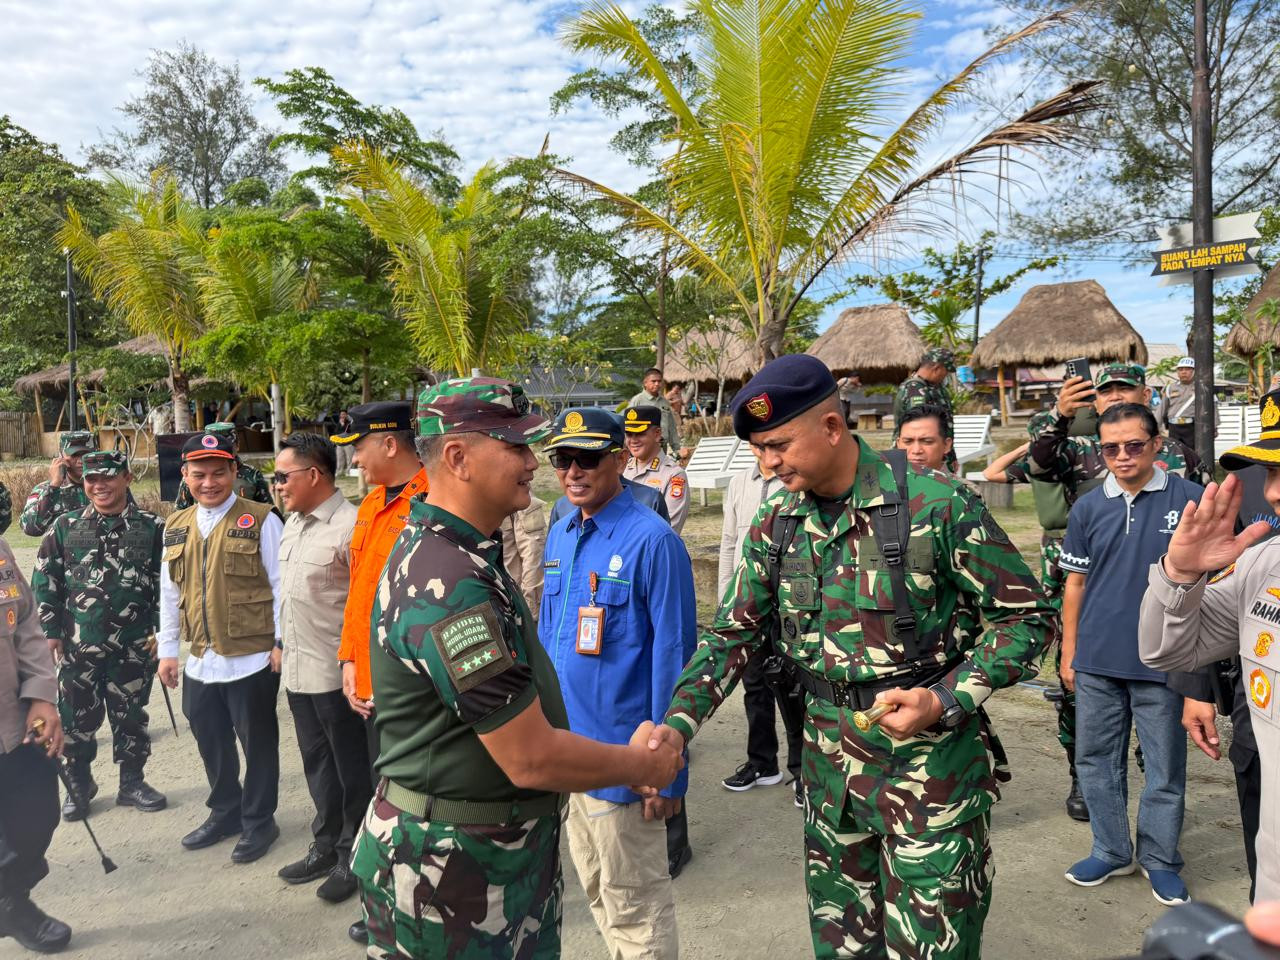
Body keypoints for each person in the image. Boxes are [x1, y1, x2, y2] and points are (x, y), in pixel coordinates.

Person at [641, 354, 1057, 959]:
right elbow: (732, 634)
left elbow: (1026, 619)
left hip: (929, 781)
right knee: (842, 948)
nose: (767, 463)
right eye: (758, 450)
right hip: (831, 781)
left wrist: (945, 697)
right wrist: (679, 725)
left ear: (833, 428)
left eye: (778, 444)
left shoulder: (935, 505)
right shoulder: (777, 521)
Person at [351, 377, 683, 958]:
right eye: (517, 446)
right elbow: (529, 757)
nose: (537, 464)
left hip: (483, 853)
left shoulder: (461, 554)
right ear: (458, 457)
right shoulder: (449, 582)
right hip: (453, 873)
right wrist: (644, 764)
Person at [539, 406, 696, 958]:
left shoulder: (653, 541)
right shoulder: (559, 533)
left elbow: (676, 656)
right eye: (563, 459)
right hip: (569, 755)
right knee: (596, 890)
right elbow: (547, 639)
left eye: (586, 459)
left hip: (625, 761)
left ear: (618, 459)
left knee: (637, 906)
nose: (573, 472)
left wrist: (668, 774)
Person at [1027, 361, 1212, 820]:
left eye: (1124, 388)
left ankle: (1155, 794)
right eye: (1104, 391)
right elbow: (1040, 462)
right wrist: (1059, 415)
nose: (1114, 396)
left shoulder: (1180, 459)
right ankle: (1083, 781)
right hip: (1091, 585)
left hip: (1162, 609)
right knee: (1080, 701)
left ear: (1145, 394)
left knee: (1159, 736)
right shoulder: (1081, 448)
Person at [1137, 385, 1280, 904]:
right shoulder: (1265, 561)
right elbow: (1167, 649)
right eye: (1272, 472)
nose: (1275, 492)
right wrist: (1179, 573)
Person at [1056, 404, 1201, 905]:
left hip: (1165, 662)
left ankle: (1160, 859)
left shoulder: (1191, 501)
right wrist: (1068, 650)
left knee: (1164, 767)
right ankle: (1111, 849)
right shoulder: (1088, 507)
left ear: (1157, 443)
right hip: (1096, 659)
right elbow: (1074, 584)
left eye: (1133, 445)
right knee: (1095, 760)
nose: (1122, 456)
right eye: (1110, 448)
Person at [157, 431, 284, 864]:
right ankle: (226, 811)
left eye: (217, 472)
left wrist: (281, 643)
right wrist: (168, 651)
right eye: (199, 474)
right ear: (186, 476)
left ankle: (259, 820)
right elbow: (169, 593)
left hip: (251, 655)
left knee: (258, 742)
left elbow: (282, 586)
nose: (208, 482)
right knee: (210, 738)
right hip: (201, 660)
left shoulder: (263, 519)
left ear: (234, 471)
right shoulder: (176, 526)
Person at [331, 400, 427, 944]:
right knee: (381, 796)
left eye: (360, 448)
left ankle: (409, 907)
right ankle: (385, 902)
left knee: (411, 802)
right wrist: (349, 660)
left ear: (390, 444)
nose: (356, 461)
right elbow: (359, 595)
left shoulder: (433, 500)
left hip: (408, 683)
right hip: (368, 682)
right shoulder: (370, 503)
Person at [30, 450, 167, 822]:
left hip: (135, 643)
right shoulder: (65, 525)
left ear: (126, 477)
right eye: (91, 479)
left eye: (107, 477)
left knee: (131, 715)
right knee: (75, 719)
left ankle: (132, 782)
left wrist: (162, 632)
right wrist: (51, 631)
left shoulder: (152, 527)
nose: (99, 485)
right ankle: (79, 785)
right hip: (79, 644)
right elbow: (46, 581)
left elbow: (165, 584)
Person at [272, 433, 370, 904]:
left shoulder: (353, 526)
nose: (277, 486)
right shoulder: (292, 524)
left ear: (314, 475)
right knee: (316, 765)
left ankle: (355, 855)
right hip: (297, 671)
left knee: (353, 771)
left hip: (337, 677)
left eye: (282, 476)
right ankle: (326, 843)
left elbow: (364, 607)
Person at [717, 443, 802, 804]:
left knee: (794, 690)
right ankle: (763, 763)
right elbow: (728, 541)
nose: (763, 450)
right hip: (748, 603)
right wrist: (726, 597)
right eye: (756, 443)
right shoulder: (739, 482)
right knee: (754, 686)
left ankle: (803, 771)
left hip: (787, 607)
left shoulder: (795, 483)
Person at [0, 535, 70, 954]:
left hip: (14, 721)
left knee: (37, 819)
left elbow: (24, 623)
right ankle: (15, 907)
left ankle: (11, 902)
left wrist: (42, 695)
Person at [173, 422, 274, 510]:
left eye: (227, 447)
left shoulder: (252, 475)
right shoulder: (191, 478)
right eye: (200, 475)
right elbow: (181, 511)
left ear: (237, 445)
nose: (208, 483)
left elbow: (266, 509)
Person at [622, 406, 689, 535]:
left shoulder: (673, 475)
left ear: (657, 434)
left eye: (640, 433)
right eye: (629, 434)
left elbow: (668, 528)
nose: (633, 440)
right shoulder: (622, 469)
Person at [20, 432, 96, 537]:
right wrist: (54, 486)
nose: (80, 461)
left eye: (85, 455)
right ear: (61, 456)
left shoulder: (106, 488)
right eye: (74, 455)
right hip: (60, 552)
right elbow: (30, 528)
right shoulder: (45, 489)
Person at [501, 497, 547, 617]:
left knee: (529, 557)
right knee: (512, 564)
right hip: (508, 495)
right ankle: (528, 615)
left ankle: (529, 615)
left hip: (516, 495)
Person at [628, 368, 681, 458]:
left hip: (661, 448)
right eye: (653, 381)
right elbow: (628, 427)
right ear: (645, 383)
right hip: (643, 449)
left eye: (659, 381)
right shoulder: (637, 401)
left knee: (660, 470)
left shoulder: (664, 402)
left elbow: (671, 427)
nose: (657, 384)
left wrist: (677, 449)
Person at [895, 404, 954, 474]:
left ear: (946, 445)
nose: (916, 451)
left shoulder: (960, 485)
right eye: (908, 441)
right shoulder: (884, 483)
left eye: (927, 441)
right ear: (898, 444)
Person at [1158, 358, 1197, 449]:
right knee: (1175, 452)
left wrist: (1214, 427)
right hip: (1174, 427)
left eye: (1187, 369)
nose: (1183, 372)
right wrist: (1155, 426)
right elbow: (1162, 409)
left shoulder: (1201, 387)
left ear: (1194, 371)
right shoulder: (1170, 388)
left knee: (1192, 454)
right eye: (1180, 369)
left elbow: (1212, 407)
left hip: (1192, 427)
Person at [334, 411, 354, 476]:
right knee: (339, 458)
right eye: (341, 414)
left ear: (346, 415)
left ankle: (349, 471)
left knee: (349, 458)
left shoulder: (349, 423)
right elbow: (336, 432)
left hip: (348, 443)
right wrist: (341, 424)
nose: (342, 415)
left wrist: (343, 425)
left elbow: (348, 431)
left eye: (343, 414)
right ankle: (339, 471)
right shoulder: (338, 423)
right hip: (340, 443)